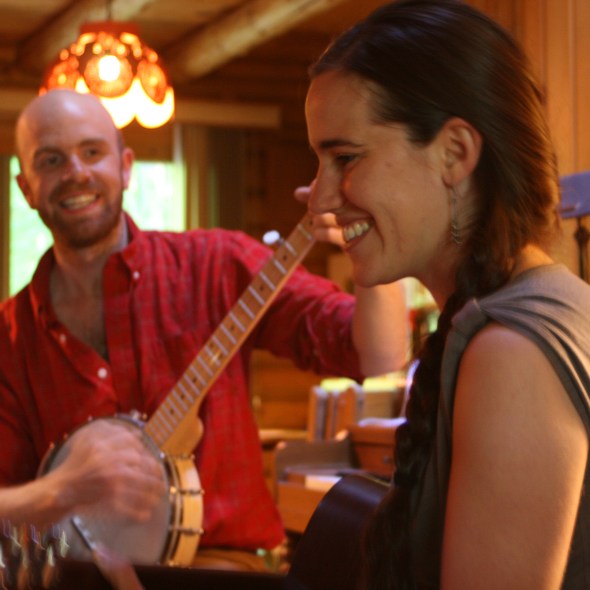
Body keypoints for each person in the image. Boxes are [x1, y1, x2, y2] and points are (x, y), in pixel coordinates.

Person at [0, 89, 409, 573]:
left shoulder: (216, 263)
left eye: (92, 152)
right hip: (81, 577)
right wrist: (61, 489)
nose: (76, 172)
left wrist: (369, 250)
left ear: (126, 167)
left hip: (222, 566)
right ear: (26, 188)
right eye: (51, 160)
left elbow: (379, 355)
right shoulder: (10, 337)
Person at [303, 0, 590, 588]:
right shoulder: (535, 310)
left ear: (455, 152)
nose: (320, 200)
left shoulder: (513, 353)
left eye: (346, 158)